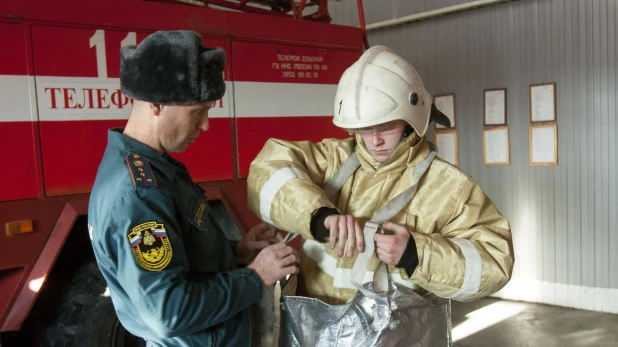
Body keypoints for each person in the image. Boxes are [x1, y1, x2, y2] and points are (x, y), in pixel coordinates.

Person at [247, 45, 514, 310]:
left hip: (398, 336)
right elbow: (267, 169)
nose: (374, 140)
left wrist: (416, 254)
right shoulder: (333, 160)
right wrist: (318, 217)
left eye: (386, 126)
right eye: (364, 128)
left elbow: (495, 262)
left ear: (412, 120)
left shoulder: (448, 188)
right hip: (316, 329)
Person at [88, 30, 299, 346]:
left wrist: (235, 252)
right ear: (157, 104)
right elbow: (167, 312)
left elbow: (179, 256)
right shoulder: (138, 195)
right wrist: (255, 277)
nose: (205, 125)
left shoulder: (153, 167)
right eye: (197, 112)